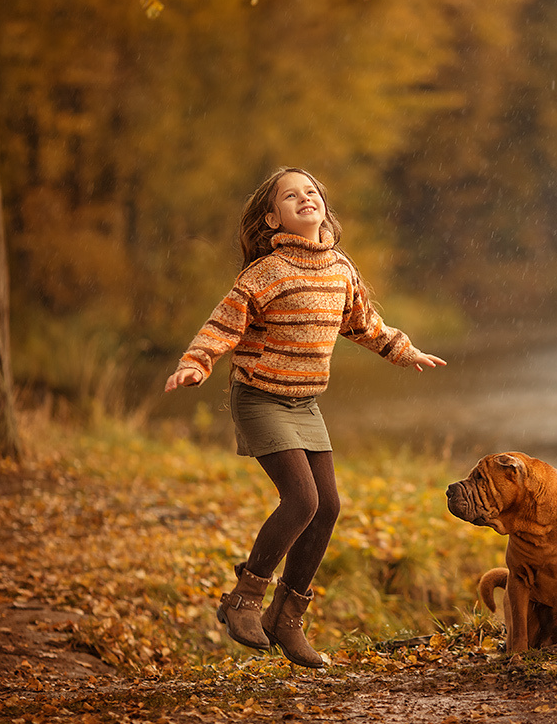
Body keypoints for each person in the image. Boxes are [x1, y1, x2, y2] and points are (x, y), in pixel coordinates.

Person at [164, 167, 446, 667]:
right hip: (258, 396)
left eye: (311, 191)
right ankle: (244, 601)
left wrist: (403, 350)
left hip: (305, 401)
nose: (304, 198)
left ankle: (285, 618)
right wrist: (196, 362)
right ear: (273, 217)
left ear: (323, 206)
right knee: (301, 499)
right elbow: (223, 324)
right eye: (289, 196)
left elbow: (362, 324)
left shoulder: (340, 268)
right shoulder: (266, 272)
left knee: (329, 506)